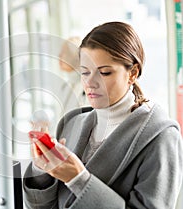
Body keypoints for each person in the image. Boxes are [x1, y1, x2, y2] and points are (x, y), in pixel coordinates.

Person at [23, 21, 183, 209]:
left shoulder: (160, 137)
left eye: (104, 73)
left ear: (132, 73)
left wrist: (79, 179)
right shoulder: (71, 124)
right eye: (84, 72)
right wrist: (42, 170)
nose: (90, 83)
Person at [58, 36, 87, 113]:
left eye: (64, 52)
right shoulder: (66, 86)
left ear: (75, 56)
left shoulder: (87, 87)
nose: (59, 56)